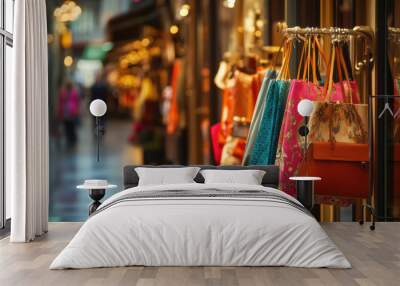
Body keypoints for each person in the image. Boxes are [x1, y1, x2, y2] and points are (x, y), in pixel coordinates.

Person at [57, 79, 80, 148]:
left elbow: (77, 102)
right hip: (65, 111)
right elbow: (60, 102)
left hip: (72, 111)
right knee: (67, 125)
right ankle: (69, 137)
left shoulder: (74, 92)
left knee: (72, 126)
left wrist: (77, 110)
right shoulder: (63, 92)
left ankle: (72, 138)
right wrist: (59, 111)